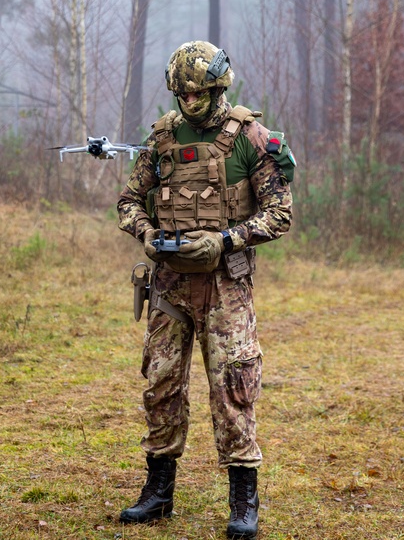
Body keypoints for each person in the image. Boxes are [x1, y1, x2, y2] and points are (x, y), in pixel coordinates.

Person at [117, 40, 295, 540]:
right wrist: (147, 234)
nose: (189, 103)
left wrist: (225, 240)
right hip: (170, 283)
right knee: (161, 383)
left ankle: (244, 501)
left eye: (198, 94)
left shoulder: (251, 138)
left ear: (219, 88)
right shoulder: (161, 139)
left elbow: (279, 213)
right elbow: (129, 200)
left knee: (234, 385)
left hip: (225, 286)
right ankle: (158, 492)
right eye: (182, 95)